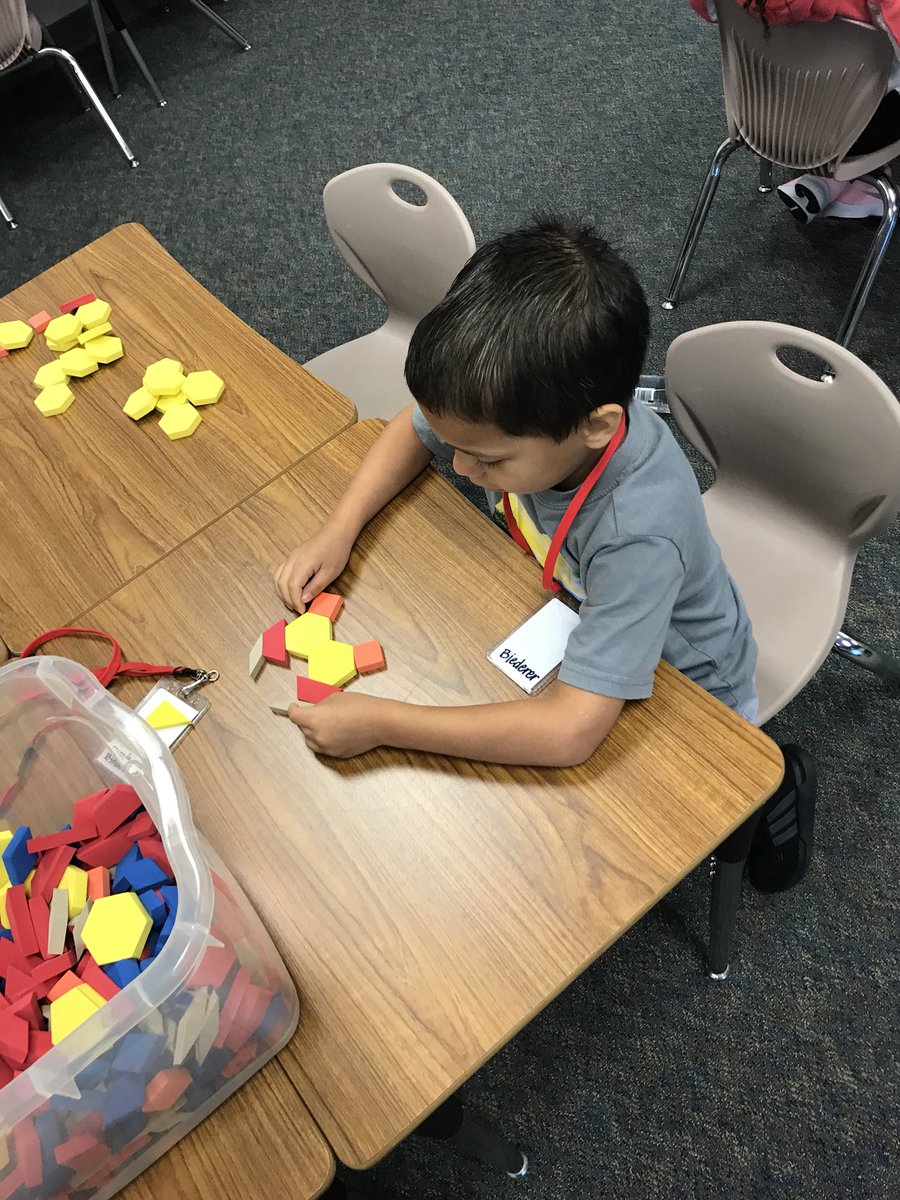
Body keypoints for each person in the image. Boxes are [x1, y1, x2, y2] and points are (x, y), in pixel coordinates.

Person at [274, 216, 758, 766]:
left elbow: (568, 734)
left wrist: (383, 723)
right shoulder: (522, 411)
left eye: (486, 459)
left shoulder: (637, 536)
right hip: (578, 609)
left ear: (595, 427)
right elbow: (413, 426)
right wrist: (339, 531)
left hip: (687, 691)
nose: (457, 466)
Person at [689, 0, 900, 222]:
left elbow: (708, 10)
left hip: (762, 115)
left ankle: (835, 185)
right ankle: (850, 180)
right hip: (852, 129)